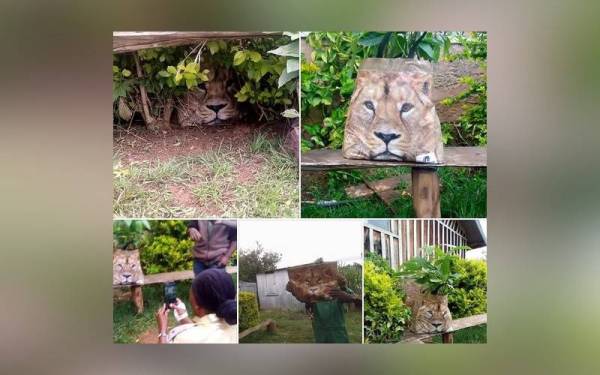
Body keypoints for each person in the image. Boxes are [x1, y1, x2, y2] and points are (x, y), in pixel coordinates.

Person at [155, 269, 237, 344]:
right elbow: (205, 331)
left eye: (191, 295)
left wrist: (162, 331)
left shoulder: (185, 339)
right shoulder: (235, 324)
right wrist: (183, 317)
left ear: (197, 305)